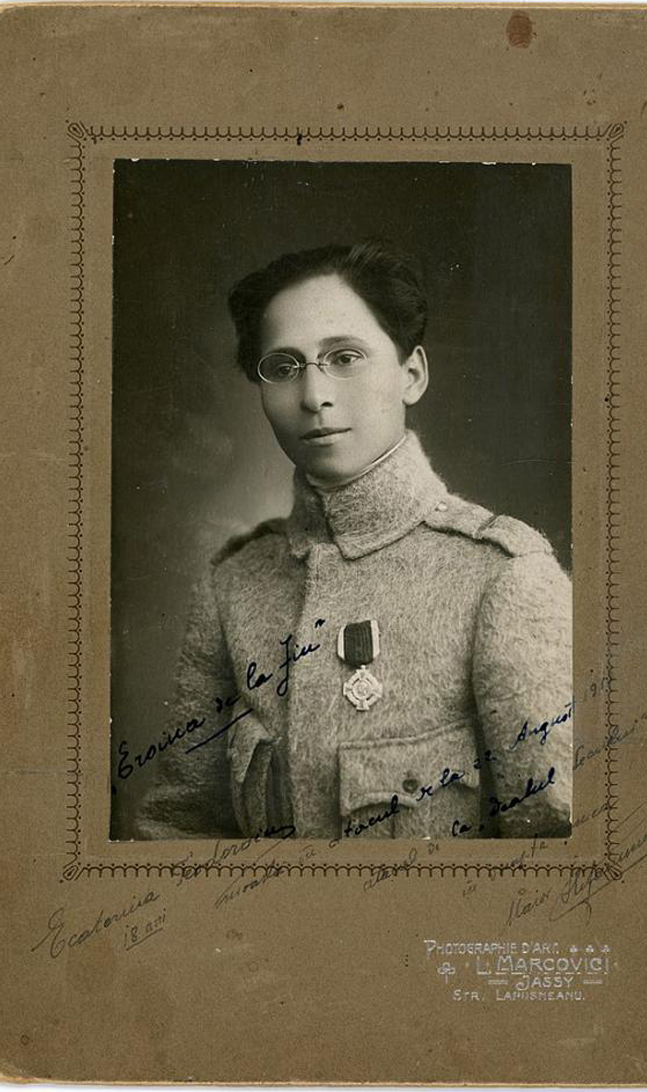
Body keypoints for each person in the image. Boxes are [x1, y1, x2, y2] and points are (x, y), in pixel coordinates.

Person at [133, 240, 572, 842]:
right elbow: (178, 830)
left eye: (344, 357)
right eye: (283, 367)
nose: (313, 396)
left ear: (411, 375)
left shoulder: (502, 575)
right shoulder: (233, 585)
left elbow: (555, 849)